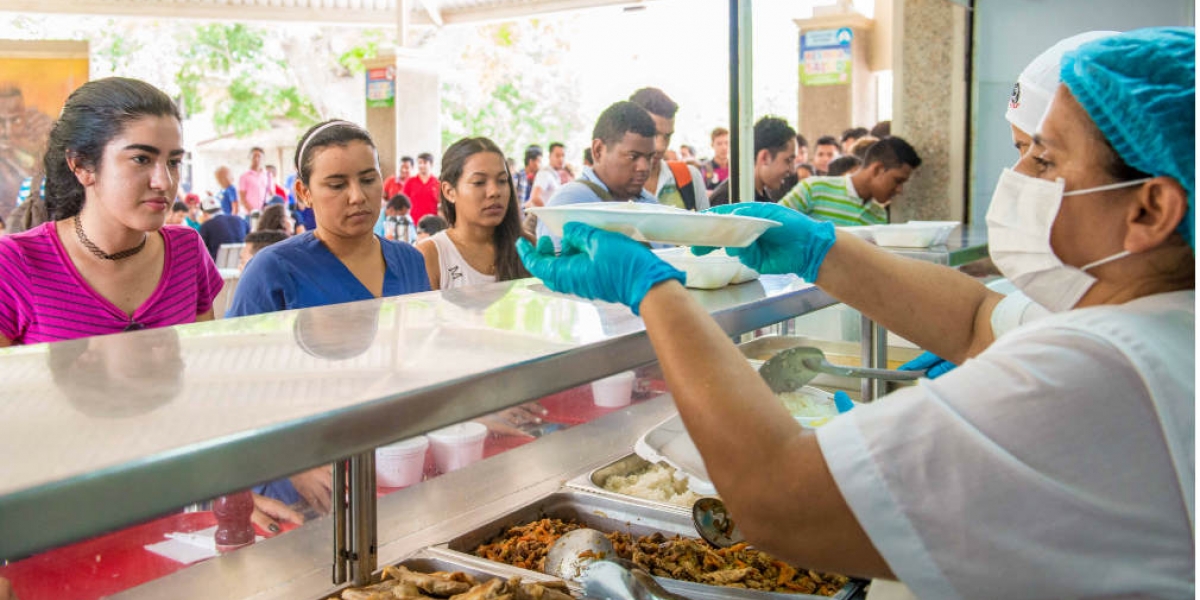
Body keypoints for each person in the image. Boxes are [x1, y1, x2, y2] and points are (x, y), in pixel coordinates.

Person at [517, 27, 1194, 599]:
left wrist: (653, 289)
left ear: (1149, 209)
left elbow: (777, 500)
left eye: (1044, 160)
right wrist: (819, 249)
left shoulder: (1101, 370)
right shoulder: (1160, 322)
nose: (1017, 183)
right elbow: (977, 321)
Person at [228, 119, 431, 513]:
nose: (357, 196)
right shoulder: (273, 271)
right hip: (306, 488)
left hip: (397, 469)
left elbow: (421, 366)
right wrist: (291, 466)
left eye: (368, 179)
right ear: (304, 192)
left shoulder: (409, 261)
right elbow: (236, 394)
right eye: (337, 185)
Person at [0, 77, 224, 346]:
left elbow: (200, 365)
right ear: (82, 165)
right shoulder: (15, 263)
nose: (164, 182)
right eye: (141, 159)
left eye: (173, 162)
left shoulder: (187, 251)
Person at [535, 101, 658, 244]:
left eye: (649, 157)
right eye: (633, 156)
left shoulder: (652, 205)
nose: (644, 167)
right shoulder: (570, 204)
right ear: (598, 150)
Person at [417, 136, 530, 290]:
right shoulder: (431, 255)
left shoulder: (527, 247)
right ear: (449, 191)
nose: (494, 192)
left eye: (502, 181)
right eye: (479, 182)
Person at [779, 136, 921, 226]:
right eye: (897, 181)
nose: (899, 190)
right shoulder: (813, 189)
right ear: (877, 169)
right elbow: (771, 226)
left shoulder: (878, 216)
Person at [629, 87, 708, 211]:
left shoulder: (689, 177)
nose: (661, 146)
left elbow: (707, 228)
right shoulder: (612, 184)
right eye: (653, 133)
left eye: (667, 136)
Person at [709, 116, 797, 205]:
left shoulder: (762, 198)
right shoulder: (729, 199)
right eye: (788, 160)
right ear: (765, 157)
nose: (792, 170)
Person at [403, 151, 439, 224]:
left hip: (432, 224)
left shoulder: (437, 183)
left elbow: (440, 204)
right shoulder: (410, 182)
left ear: (431, 164)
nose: (421, 165)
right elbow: (403, 202)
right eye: (419, 163)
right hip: (413, 223)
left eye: (424, 162)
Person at [528, 142, 566, 208]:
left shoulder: (554, 175)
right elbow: (535, 198)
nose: (561, 159)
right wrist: (548, 214)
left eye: (563, 155)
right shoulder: (545, 174)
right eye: (557, 155)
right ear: (549, 156)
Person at [237, 146, 272, 216]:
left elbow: (271, 194)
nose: (256, 159)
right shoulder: (244, 176)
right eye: (254, 156)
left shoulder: (268, 175)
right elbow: (242, 198)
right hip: (250, 215)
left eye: (259, 156)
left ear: (263, 158)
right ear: (250, 158)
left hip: (265, 214)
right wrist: (253, 212)